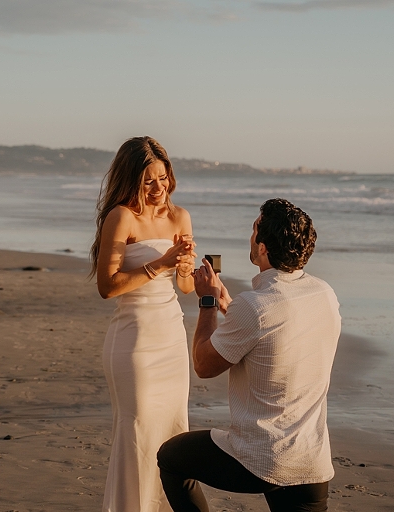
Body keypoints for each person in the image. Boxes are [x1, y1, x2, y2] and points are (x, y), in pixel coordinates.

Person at [157, 198, 341, 512]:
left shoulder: (255, 306)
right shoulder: (324, 293)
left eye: (255, 229)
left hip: (261, 458)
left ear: (264, 248)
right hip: (311, 461)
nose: (250, 237)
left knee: (170, 458)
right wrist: (229, 305)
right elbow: (275, 335)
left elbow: (203, 364)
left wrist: (208, 303)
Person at [91, 136, 197, 512]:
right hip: (133, 340)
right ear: (132, 179)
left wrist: (184, 270)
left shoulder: (180, 217)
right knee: (137, 433)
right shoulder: (122, 217)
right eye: (148, 181)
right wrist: (162, 264)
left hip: (171, 335)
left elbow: (185, 287)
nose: (159, 188)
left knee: (172, 431)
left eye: (163, 178)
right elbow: (108, 287)